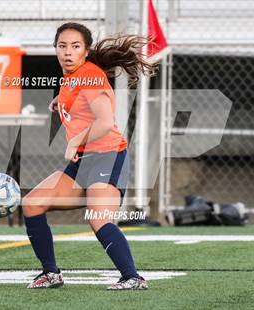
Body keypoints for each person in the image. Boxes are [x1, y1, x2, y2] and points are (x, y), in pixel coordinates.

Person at [22, 22, 157, 290]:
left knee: (98, 217)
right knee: (32, 204)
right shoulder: (71, 78)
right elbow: (78, 102)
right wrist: (60, 104)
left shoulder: (91, 76)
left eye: (75, 46)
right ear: (55, 49)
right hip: (83, 163)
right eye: (62, 46)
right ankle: (51, 274)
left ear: (86, 50)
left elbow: (106, 122)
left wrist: (75, 139)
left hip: (107, 156)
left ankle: (133, 277)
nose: (67, 52)